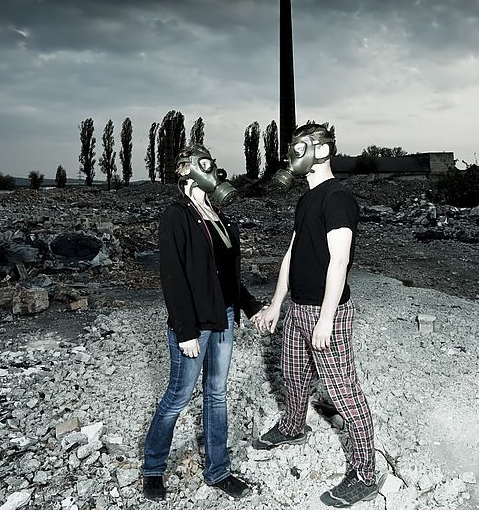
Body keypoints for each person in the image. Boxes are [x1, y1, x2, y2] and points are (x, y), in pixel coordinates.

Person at [252, 123, 382, 508]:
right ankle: (293, 426)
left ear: (321, 152)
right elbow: (292, 254)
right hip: (298, 309)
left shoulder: (337, 199)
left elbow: (339, 260)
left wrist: (325, 318)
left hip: (329, 312)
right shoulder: (305, 200)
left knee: (344, 392)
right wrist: (277, 303)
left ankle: (364, 474)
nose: (292, 155)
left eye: (299, 148)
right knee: (292, 374)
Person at [141, 145, 264, 501]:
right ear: (185, 172)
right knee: (178, 397)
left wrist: (251, 307)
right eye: (203, 164)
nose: (211, 170)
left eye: (212, 164)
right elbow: (173, 277)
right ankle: (153, 467)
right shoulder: (176, 216)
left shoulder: (222, 218)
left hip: (224, 318)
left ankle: (218, 471)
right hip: (195, 323)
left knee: (216, 395)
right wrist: (186, 331)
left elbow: (228, 277)